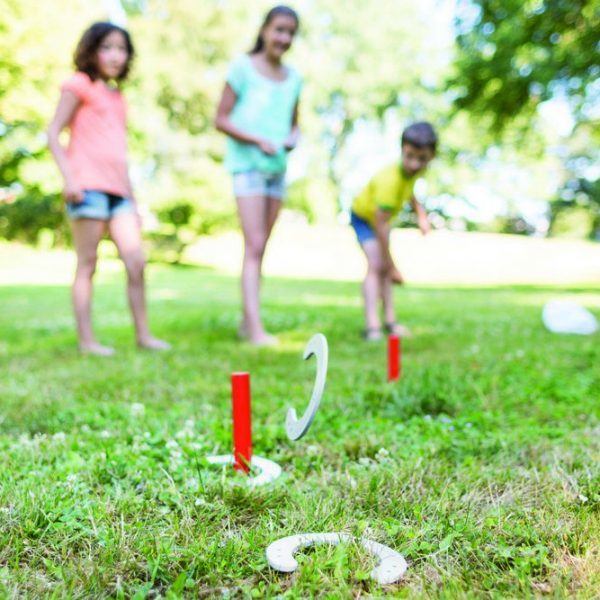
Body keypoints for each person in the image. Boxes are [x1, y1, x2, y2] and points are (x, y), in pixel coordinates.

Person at [48, 22, 169, 355]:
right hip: (87, 188)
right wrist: (70, 178)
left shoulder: (117, 96)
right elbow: (53, 133)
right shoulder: (79, 84)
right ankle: (87, 341)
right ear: (91, 49)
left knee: (136, 262)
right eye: (107, 47)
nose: (116, 55)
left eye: (122, 48)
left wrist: (134, 197)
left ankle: (143, 335)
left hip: (119, 193)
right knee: (88, 263)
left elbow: (119, 151)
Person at [215, 5, 302, 346]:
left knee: (261, 247)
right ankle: (254, 328)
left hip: (277, 170)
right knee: (253, 245)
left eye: (291, 33)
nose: (284, 38)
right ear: (265, 29)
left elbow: (295, 122)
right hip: (247, 166)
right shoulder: (241, 69)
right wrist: (257, 141)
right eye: (279, 29)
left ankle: (246, 320)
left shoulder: (294, 78)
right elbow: (220, 118)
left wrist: (294, 138)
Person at [350, 122, 437, 341]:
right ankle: (372, 326)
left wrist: (421, 215)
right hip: (364, 218)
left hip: (381, 221)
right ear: (402, 150)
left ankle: (390, 321)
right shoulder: (389, 180)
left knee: (384, 269)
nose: (414, 164)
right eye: (410, 156)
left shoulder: (411, 173)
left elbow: (410, 192)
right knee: (377, 265)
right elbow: (380, 225)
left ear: (431, 156)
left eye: (422, 158)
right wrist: (392, 266)